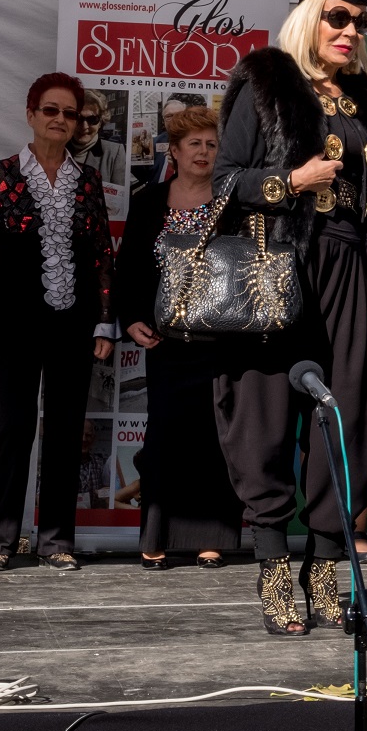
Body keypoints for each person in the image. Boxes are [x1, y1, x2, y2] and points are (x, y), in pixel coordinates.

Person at [213, 0, 367, 636]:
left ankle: (324, 565)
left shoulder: (365, 96)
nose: (349, 30)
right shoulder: (265, 79)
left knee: (346, 416)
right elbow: (225, 181)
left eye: (360, 21)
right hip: (275, 261)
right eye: (337, 16)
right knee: (262, 415)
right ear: (309, 15)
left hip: (346, 265)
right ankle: (273, 567)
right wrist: (292, 180)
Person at [0, 74, 115, 574]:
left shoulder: (88, 181)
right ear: (31, 114)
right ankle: (0, 539)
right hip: (13, 320)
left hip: (75, 322)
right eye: (51, 110)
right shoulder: (0, 174)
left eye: (69, 113)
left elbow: (102, 255)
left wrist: (104, 322)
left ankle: (56, 540)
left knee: (66, 429)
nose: (60, 120)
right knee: (13, 427)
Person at [117, 105, 242, 569]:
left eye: (212, 144)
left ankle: (212, 538)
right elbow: (129, 268)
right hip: (165, 341)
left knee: (215, 437)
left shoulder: (234, 202)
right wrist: (132, 319)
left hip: (222, 341)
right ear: (175, 150)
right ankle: (157, 536)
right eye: (195, 144)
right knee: (164, 438)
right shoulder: (149, 201)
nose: (204, 152)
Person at [70, 88, 127, 187]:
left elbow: (119, 195)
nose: (84, 126)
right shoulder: (57, 149)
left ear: (101, 122)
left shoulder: (114, 153)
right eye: (78, 118)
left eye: (92, 119)